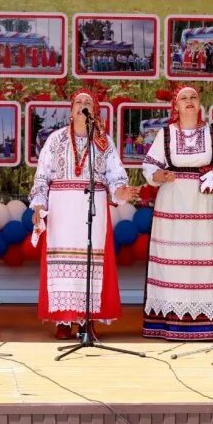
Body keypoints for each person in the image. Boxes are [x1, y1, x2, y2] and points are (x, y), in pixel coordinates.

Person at [29, 90, 140, 339]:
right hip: (61, 210)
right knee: (61, 263)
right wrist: (38, 207)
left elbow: (115, 175)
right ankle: (64, 319)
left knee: (91, 260)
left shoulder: (102, 141)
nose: (82, 106)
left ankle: (88, 318)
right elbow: (42, 177)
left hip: (93, 207)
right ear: (70, 111)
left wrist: (122, 190)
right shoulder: (56, 139)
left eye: (87, 103)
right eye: (78, 102)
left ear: (94, 110)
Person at [141, 86, 213, 340]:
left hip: (205, 203)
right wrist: (158, 175)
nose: (189, 101)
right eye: (184, 98)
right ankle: (170, 321)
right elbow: (149, 166)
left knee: (204, 257)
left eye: (193, 97)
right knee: (173, 259)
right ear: (176, 105)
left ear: (200, 103)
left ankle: (207, 323)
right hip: (172, 203)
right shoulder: (166, 134)